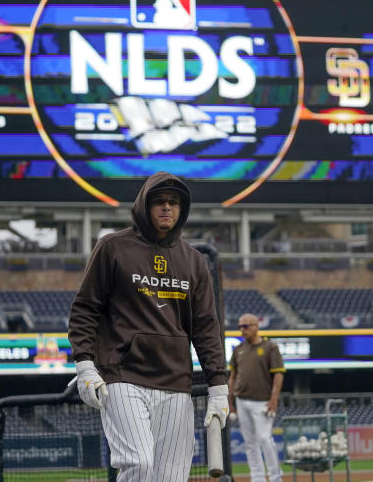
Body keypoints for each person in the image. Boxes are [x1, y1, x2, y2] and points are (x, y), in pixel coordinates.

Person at [68, 171, 229, 482]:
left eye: (173, 202)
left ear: (182, 210)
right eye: (159, 202)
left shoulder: (195, 262)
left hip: (176, 381)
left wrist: (218, 386)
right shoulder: (112, 247)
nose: (166, 207)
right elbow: (85, 309)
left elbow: (207, 327)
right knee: (138, 464)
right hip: (123, 375)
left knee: (171, 476)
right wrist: (85, 366)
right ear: (144, 205)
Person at [228, 313, 285, 482]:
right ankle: (257, 478)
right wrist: (229, 401)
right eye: (240, 326)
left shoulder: (270, 347)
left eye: (245, 326)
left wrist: (274, 399)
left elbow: (279, 374)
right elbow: (232, 376)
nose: (242, 330)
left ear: (256, 326)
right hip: (242, 400)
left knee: (264, 439)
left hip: (262, 401)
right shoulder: (239, 349)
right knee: (249, 442)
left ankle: (275, 477)